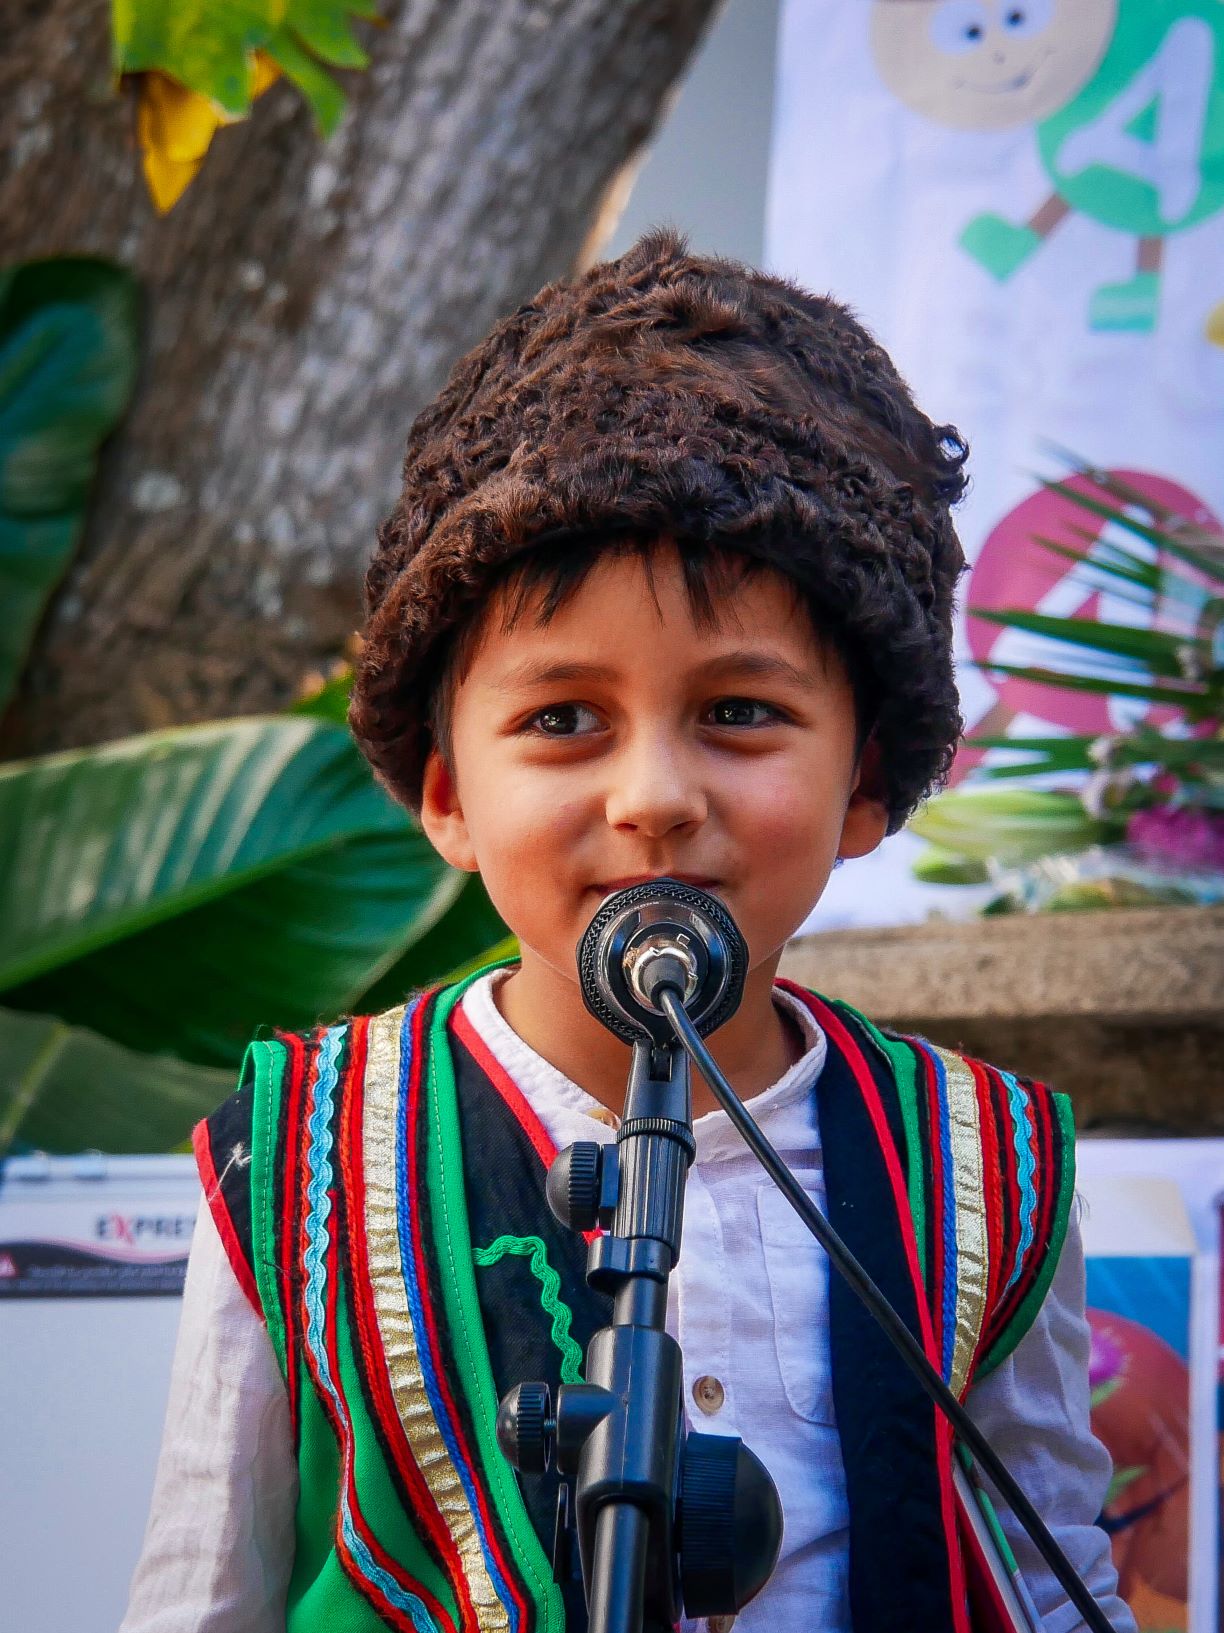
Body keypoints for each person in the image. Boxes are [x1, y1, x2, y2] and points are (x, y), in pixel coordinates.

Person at [122, 230, 1135, 1633]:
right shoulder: (296, 1155)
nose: (654, 797)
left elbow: (1054, 1565)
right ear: (445, 791)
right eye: (560, 721)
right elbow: (198, 1595)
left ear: (867, 778)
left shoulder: (988, 1169)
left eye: (739, 711)